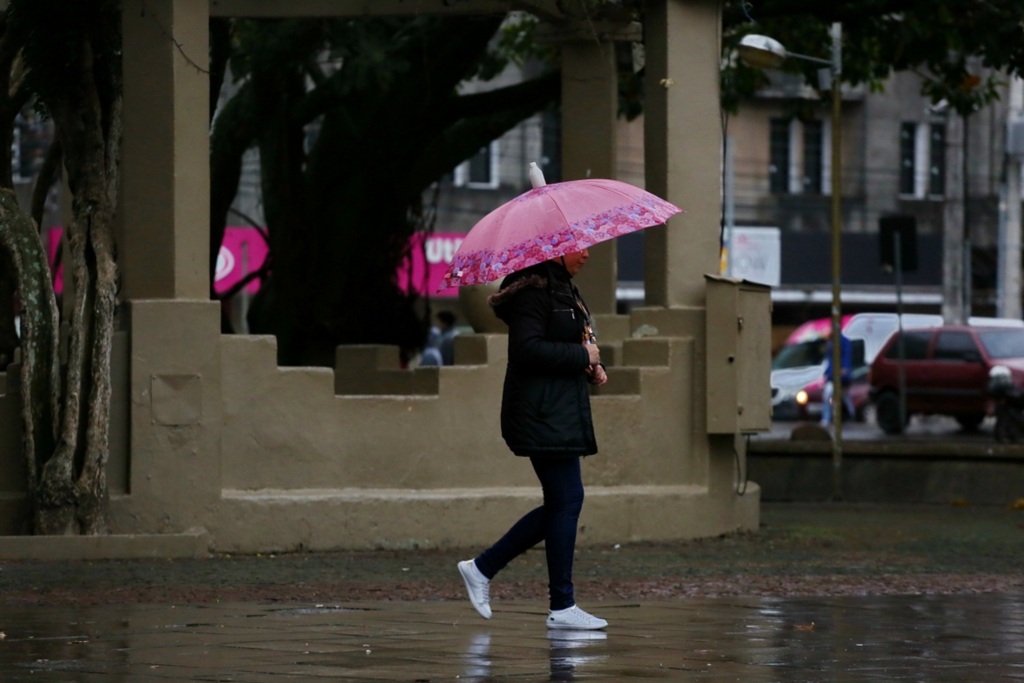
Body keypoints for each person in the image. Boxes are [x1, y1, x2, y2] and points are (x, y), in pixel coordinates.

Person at [457, 247, 610, 631]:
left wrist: (593, 364)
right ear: (556, 250)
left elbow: (576, 342)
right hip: (541, 412)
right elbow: (527, 349)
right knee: (567, 500)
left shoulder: (564, 289)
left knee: (563, 501)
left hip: (559, 409)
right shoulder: (531, 290)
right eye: (579, 246)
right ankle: (560, 604)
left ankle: (483, 569)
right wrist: (580, 355)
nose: (587, 253)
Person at [821, 333, 855, 426]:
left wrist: (845, 369)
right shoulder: (832, 340)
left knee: (842, 396)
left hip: (839, 375)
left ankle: (850, 415)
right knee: (831, 395)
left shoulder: (841, 341)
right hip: (834, 375)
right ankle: (827, 417)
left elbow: (845, 356)